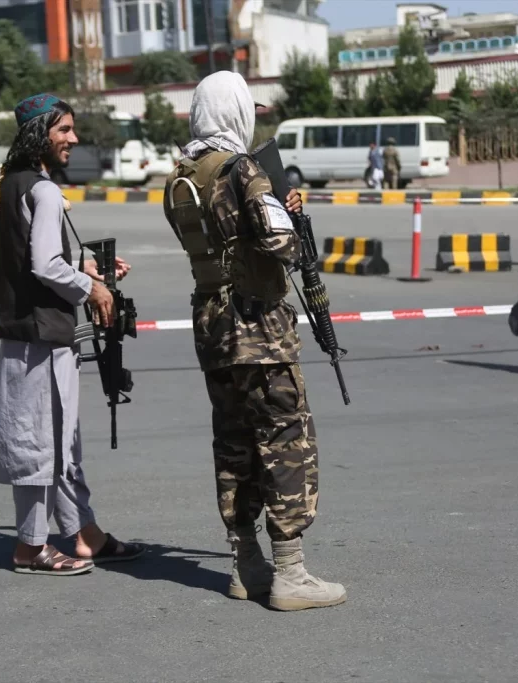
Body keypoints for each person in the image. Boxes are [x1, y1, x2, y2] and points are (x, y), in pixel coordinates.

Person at [162, 71, 346, 612]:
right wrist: (285, 208)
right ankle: (290, 573)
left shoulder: (183, 175)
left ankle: (247, 565)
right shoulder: (242, 169)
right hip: (259, 328)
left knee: (235, 440)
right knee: (285, 438)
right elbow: (281, 242)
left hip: (212, 326)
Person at [0, 93, 145, 575]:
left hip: (28, 333)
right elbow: (44, 264)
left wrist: (86, 266)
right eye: (64, 131)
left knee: (60, 439)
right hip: (41, 339)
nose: (73, 139)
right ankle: (30, 547)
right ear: (40, 134)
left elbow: (35, 257)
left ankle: (82, 532)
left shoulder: (14, 183)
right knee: (40, 443)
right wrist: (91, 286)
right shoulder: (46, 191)